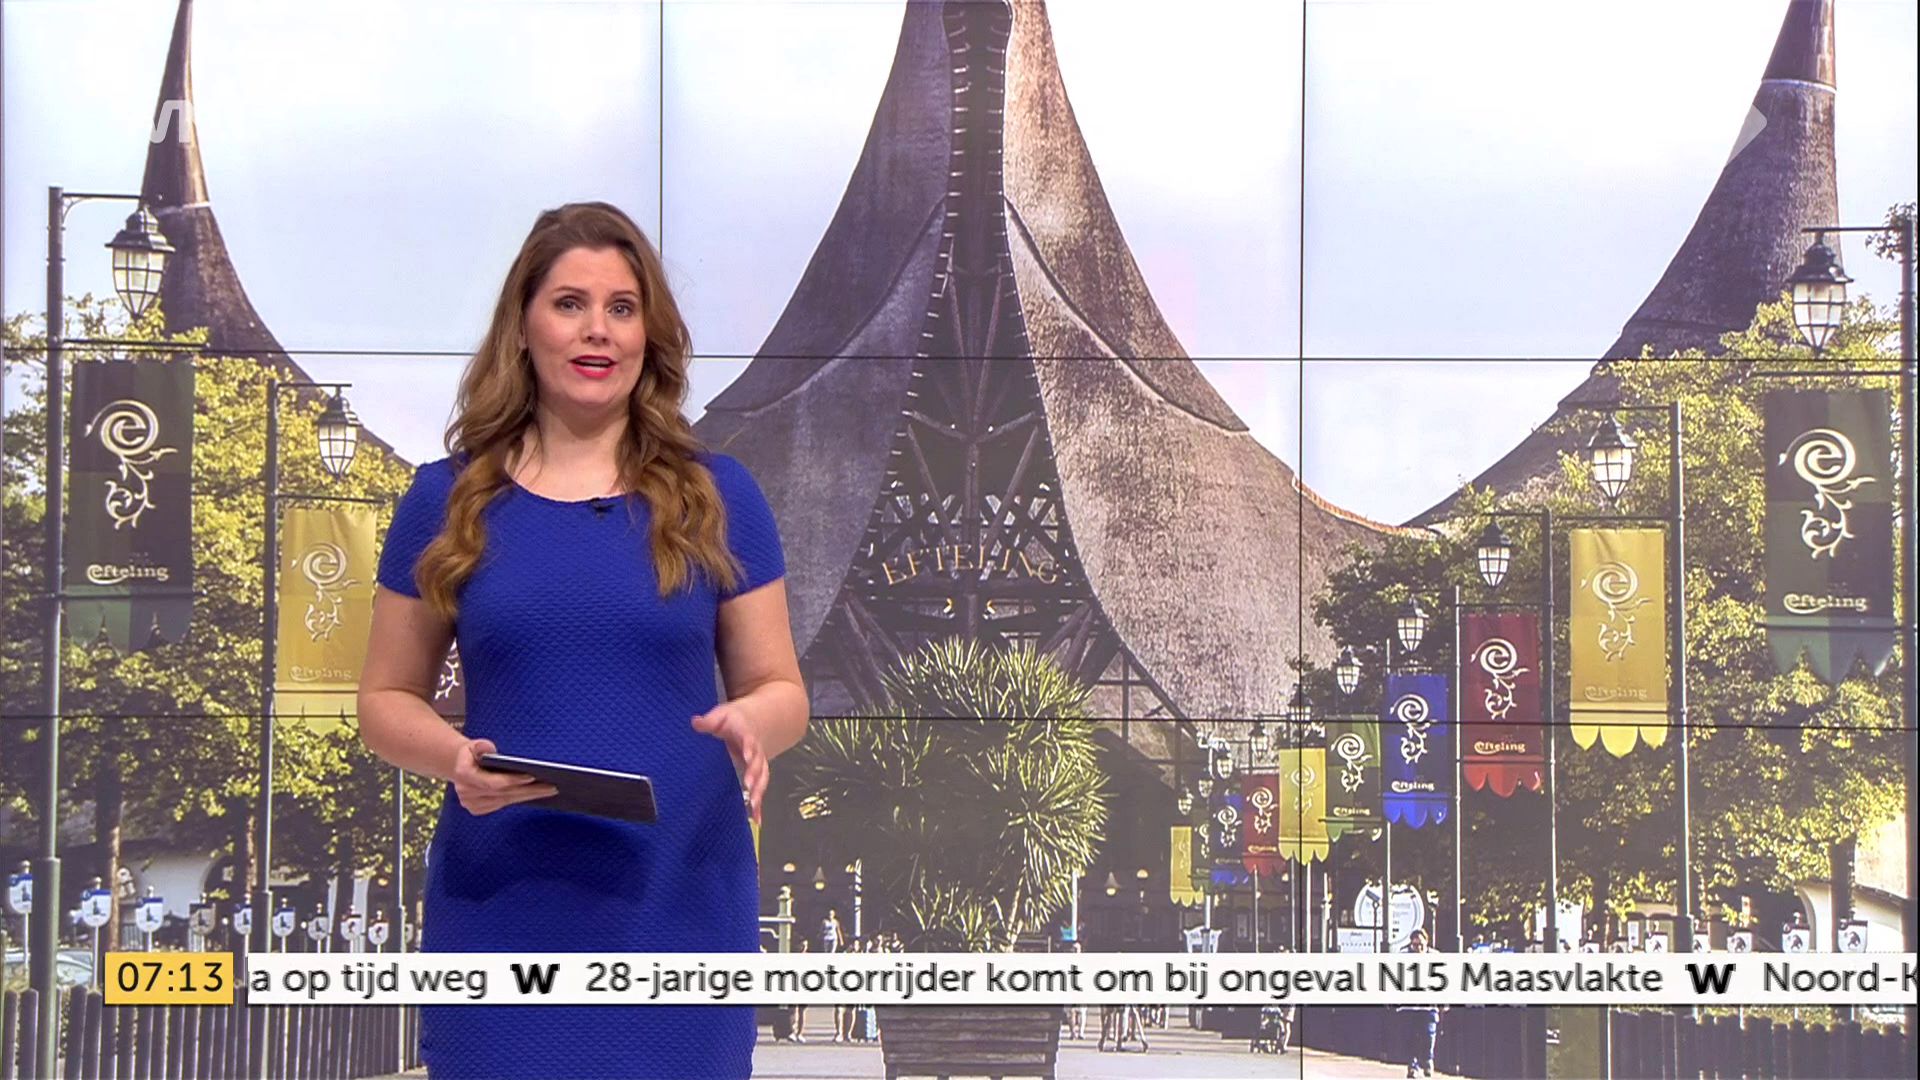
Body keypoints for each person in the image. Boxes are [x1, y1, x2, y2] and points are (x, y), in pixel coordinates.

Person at [358, 202, 807, 1079]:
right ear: (523, 326)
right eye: (570, 304)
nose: (598, 329)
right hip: (504, 901)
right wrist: (453, 758)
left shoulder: (720, 496)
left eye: (622, 307)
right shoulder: (445, 502)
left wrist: (754, 724)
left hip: (679, 899)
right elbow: (384, 701)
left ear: (648, 334)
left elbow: (782, 689)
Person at [1397, 928, 1444, 1078]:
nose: (1418, 949)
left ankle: (1428, 1060)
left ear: (1426, 943)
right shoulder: (1403, 956)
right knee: (1410, 1037)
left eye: (1421, 945)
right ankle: (1413, 1066)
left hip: (1428, 1006)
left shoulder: (1435, 957)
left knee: (1429, 1035)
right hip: (1408, 1006)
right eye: (1415, 945)